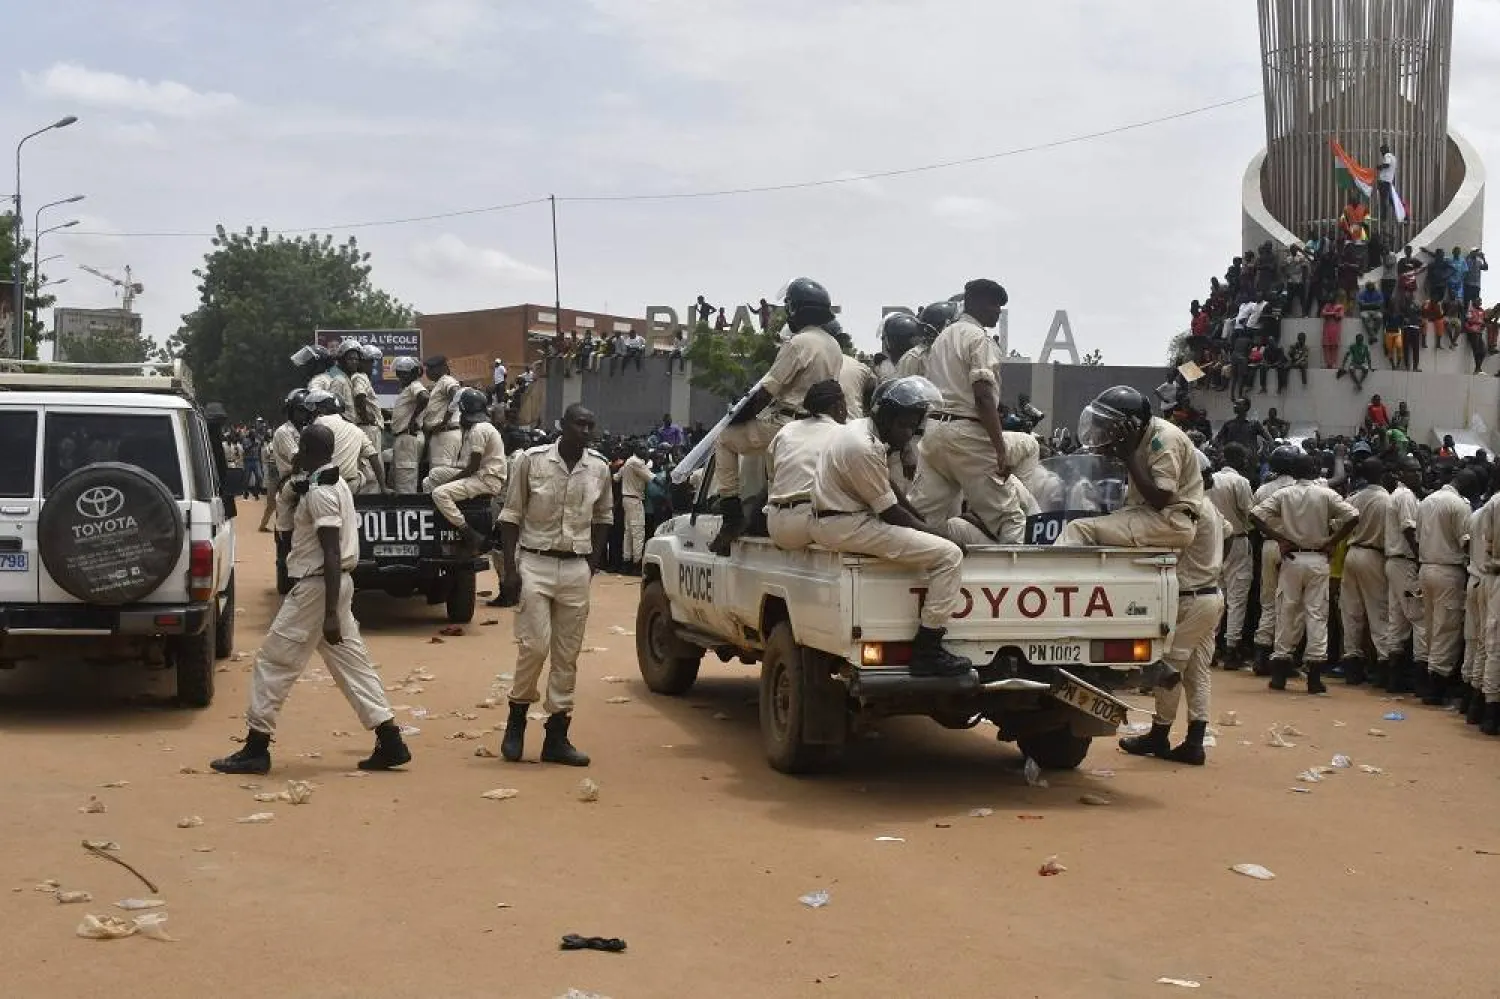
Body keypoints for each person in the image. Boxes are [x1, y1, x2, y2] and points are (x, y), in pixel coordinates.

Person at [209, 423, 411, 775]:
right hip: (332, 587)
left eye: (301, 447)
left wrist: (330, 613)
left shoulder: (321, 492)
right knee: (352, 664)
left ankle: (257, 746)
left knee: (273, 662)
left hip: (318, 589)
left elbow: (330, 552)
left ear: (307, 449)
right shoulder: (332, 484)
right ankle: (390, 739)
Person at [810, 377, 969, 676]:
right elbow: (891, 513)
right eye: (904, 424)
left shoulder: (862, 432)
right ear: (887, 417)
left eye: (913, 425)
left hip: (841, 519)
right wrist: (938, 535)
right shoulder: (863, 447)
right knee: (949, 557)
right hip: (846, 523)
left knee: (937, 544)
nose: (909, 433)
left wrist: (924, 527)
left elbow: (890, 492)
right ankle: (928, 651)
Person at [495, 405, 612, 767]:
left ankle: (557, 735)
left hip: (576, 567)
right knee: (534, 645)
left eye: (591, 424)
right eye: (580, 423)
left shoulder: (600, 468)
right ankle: (516, 721)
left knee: (567, 654)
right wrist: (511, 570)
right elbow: (511, 515)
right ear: (562, 425)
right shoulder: (531, 461)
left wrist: (590, 566)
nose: (586, 429)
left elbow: (603, 518)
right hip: (534, 563)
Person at [708, 278, 843, 555]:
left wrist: (737, 417)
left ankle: (731, 516)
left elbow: (767, 391)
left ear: (797, 310)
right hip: (820, 423)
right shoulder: (833, 345)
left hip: (786, 421)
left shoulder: (797, 343)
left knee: (724, 440)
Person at [1120, 453, 1226, 764]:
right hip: (1210, 595)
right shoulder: (1212, 510)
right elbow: (1230, 535)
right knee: (1198, 672)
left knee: (1170, 667)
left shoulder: (1189, 510)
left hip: (1190, 598)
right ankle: (1194, 741)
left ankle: (1159, 734)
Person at [908, 279, 1025, 543]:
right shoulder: (978, 338)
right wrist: (1000, 448)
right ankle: (1013, 579)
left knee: (923, 517)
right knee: (1010, 516)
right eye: (994, 304)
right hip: (967, 432)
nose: (998, 311)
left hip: (935, 430)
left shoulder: (942, 338)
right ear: (978, 304)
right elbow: (983, 396)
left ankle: (908, 579)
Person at [1250, 452, 1360, 694]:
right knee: (1317, 614)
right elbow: (1353, 516)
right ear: (1314, 471)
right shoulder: (1325, 494)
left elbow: (1255, 515)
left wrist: (1280, 539)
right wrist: (1333, 542)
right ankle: (1314, 677)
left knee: (1286, 610)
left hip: (1291, 558)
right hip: (1319, 558)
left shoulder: (1283, 493)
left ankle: (1279, 672)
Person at [1057, 385, 1203, 549]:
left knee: (1078, 529)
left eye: (1109, 426)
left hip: (1170, 521)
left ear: (1130, 426)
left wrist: (1129, 457)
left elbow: (1160, 499)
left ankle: (1051, 574)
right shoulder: (1141, 436)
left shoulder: (1164, 440)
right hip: (1148, 515)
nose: (1106, 432)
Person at [1415, 467, 1480, 706]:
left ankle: (1428, 680)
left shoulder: (1427, 501)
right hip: (1448, 571)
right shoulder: (1459, 506)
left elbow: (1417, 537)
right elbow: (1466, 543)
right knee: (1447, 628)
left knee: (1431, 626)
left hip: (1426, 567)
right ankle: (1436, 688)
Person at [765, 380, 846, 551]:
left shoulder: (786, 430)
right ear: (839, 406)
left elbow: (771, 476)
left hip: (775, 525)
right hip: (809, 522)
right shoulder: (843, 433)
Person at [428, 388, 507, 553]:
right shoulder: (482, 427)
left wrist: (450, 481)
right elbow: (469, 465)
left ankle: (468, 532)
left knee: (439, 493)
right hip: (483, 475)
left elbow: (473, 467)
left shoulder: (478, 430)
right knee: (432, 477)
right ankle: (444, 515)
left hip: (486, 480)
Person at [1339, 457, 1392, 686]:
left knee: (1351, 611)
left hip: (1352, 554)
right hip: (1374, 555)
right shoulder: (1387, 500)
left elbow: (1339, 522)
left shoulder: (1354, 497)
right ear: (1382, 474)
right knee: (1378, 611)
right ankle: (1383, 664)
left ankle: (1352, 664)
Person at [1251, 444, 1301, 671]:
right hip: (1292, 548)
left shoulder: (1263, 489)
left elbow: (1254, 517)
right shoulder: (1301, 489)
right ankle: (1284, 656)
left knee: (1268, 602)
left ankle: (1261, 653)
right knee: (1290, 604)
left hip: (1269, 545)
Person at [1208, 443, 1255, 668]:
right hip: (1236, 540)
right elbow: (1249, 511)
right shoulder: (1240, 482)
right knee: (1237, 597)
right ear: (1238, 460)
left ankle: (1211, 645)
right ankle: (1231, 647)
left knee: (1216, 594)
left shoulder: (1209, 480)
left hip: (1213, 541)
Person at [1383, 456, 1425, 693]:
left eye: (1419, 471)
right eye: (1413, 471)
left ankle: (1394, 679)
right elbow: (1409, 529)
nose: (1417, 475)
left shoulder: (1399, 495)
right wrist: (1420, 558)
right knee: (1418, 618)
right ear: (1401, 473)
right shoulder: (1406, 496)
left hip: (1395, 562)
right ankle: (1420, 680)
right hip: (1405, 562)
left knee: (1397, 620)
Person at [307, 390, 382, 493]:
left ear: (321, 409)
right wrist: (384, 487)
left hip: (324, 486)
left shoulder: (319, 422)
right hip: (349, 488)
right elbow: (373, 456)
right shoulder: (356, 430)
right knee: (361, 476)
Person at [261, 391, 306, 534]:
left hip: (305, 479)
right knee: (286, 529)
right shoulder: (284, 432)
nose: (305, 414)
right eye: (300, 410)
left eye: (307, 410)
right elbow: (297, 459)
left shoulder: (305, 430)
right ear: (291, 411)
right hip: (289, 480)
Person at [416, 356, 463, 487]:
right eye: (427, 368)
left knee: (440, 477)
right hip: (440, 435)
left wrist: (444, 421)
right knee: (436, 476)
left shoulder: (446, 380)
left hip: (445, 433)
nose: (428, 372)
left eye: (431, 368)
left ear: (442, 368)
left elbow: (457, 395)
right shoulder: (439, 383)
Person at [389, 357, 425, 493]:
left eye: (403, 373)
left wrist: (412, 420)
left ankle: (407, 512)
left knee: (405, 485)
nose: (400, 377)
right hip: (404, 438)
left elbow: (424, 397)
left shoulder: (415, 385)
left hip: (408, 437)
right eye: (399, 373)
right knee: (398, 481)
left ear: (412, 373)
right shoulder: (408, 389)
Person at [614, 444, 652, 575]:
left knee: (628, 532)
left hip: (626, 498)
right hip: (635, 499)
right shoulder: (637, 462)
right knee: (638, 532)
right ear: (636, 450)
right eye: (643, 448)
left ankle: (626, 562)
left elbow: (616, 477)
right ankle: (637, 564)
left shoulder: (627, 463)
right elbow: (651, 477)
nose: (645, 451)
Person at [838, 352, 877, 419]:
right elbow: (873, 384)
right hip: (855, 420)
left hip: (822, 423)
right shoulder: (859, 365)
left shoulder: (818, 360)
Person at [1320, 298, 1344, 369]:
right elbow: (1323, 313)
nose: (1332, 302)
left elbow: (1340, 316)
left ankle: (1333, 363)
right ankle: (1328, 363)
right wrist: (1333, 313)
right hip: (1327, 329)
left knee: (1334, 346)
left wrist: (1329, 314)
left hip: (1335, 329)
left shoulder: (1340, 306)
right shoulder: (1327, 305)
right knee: (1326, 346)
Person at [1376, 142, 1397, 219]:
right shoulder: (1394, 157)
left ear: (1385, 150)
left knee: (1383, 199)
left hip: (1384, 181)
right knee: (1390, 199)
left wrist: (1379, 167)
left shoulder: (1387, 155)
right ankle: (1400, 213)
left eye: (1382, 151)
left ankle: (1383, 217)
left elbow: (1387, 164)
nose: (1381, 154)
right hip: (1389, 181)